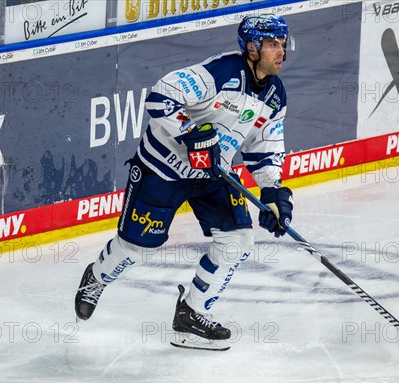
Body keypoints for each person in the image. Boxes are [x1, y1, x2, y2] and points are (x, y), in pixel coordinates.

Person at [74, 14, 295, 348]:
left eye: (283, 44)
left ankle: (191, 313)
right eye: (273, 44)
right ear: (252, 48)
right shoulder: (220, 72)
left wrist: (273, 191)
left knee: (237, 241)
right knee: (136, 247)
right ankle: (98, 276)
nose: (281, 51)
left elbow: (264, 149)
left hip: (212, 173)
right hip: (164, 167)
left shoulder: (275, 96)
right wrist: (193, 135)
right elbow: (160, 98)